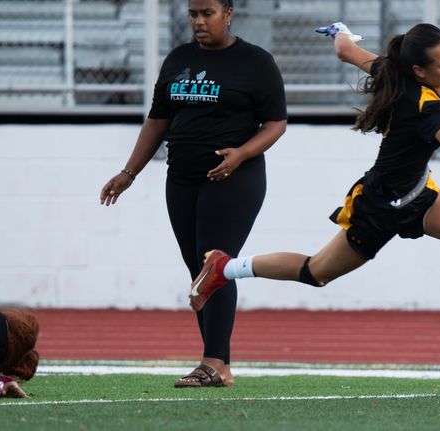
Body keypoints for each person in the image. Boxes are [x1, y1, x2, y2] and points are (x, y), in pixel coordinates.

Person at [189, 22, 440, 367]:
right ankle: (225, 268)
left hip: (419, 197)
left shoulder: (394, 71)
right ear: (420, 70)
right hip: (379, 207)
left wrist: (341, 33)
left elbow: (348, 51)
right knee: (315, 273)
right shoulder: (429, 108)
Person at [99, 0, 287, 387]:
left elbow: (276, 124)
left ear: (229, 13)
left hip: (231, 177)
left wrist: (242, 154)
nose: (199, 22)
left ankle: (212, 361)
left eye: (208, 14)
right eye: (193, 14)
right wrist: (128, 171)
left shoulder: (255, 62)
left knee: (214, 266)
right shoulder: (178, 59)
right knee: (197, 270)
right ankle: (221, 367)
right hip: (181, 177)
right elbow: (158, 120)